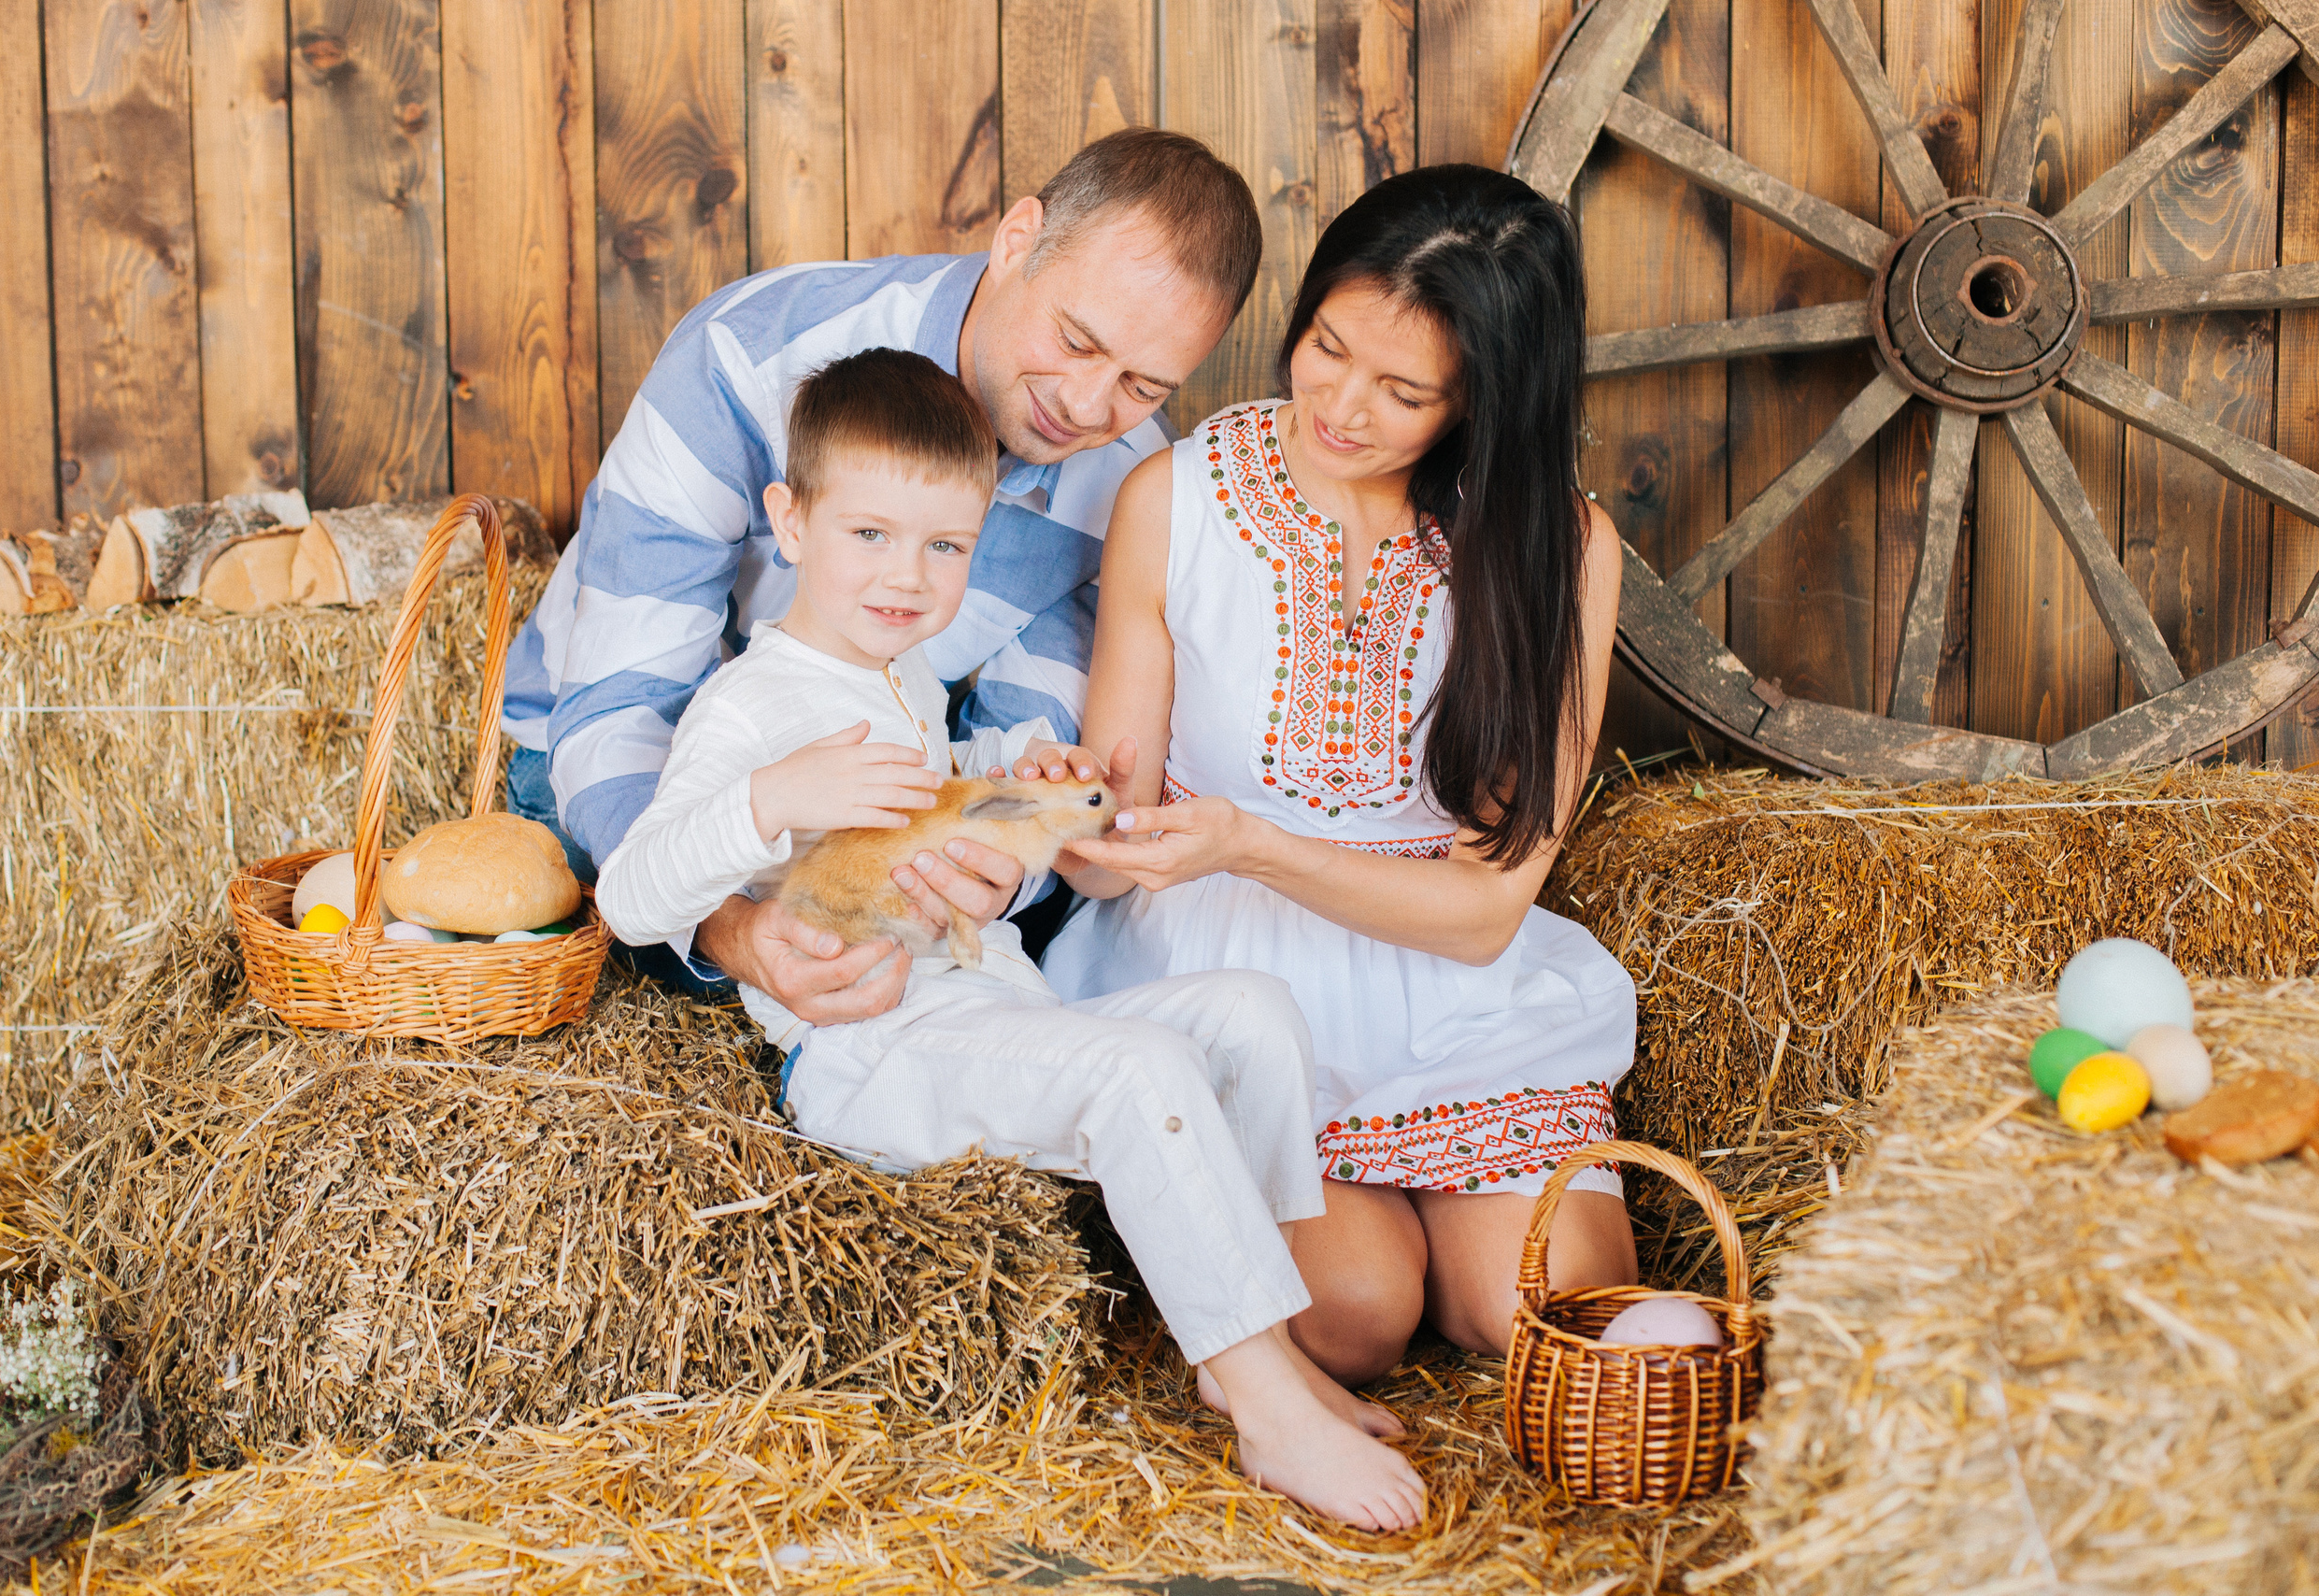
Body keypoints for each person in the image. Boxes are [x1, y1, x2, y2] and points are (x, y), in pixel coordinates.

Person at [596, 349, 1428, 1532]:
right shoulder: (753, 706)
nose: (908, 576)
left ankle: (1267, 1345)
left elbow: (927, 828)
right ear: (788, 521)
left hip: (990, 1017)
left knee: (1250, 1010)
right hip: (869, 1054)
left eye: (945, 546)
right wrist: (773, 796)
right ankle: (1266, 1410)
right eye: (871, 535)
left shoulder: (901, 678)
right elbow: (630, 895)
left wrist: (1015, 781)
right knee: (1139, 1070)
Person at [1045, 166, 1640, 1389]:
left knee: (1541, 1310)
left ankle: (1426, 1219)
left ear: (1485, 397)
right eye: (1327, 347)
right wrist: (1069, 817)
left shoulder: (1558, 550)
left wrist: (1250, 843)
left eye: (1405, 390)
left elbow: (1484, 914)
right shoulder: (1178, 502)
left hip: (1446, 978)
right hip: (1232, 969)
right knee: (1362, 1314)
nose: (1343, 405)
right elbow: (1107, 827)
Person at [502, 129, 1261, 1019]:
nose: (1089, 407)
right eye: (1076, 340)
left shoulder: (1132, 487)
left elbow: (1009, 753)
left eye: (1145, 386)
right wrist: (735, 932)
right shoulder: (746, 355)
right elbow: (620, 708)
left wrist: (996, 877)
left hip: (875, 814)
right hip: (631, 788)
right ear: (1018, 238)